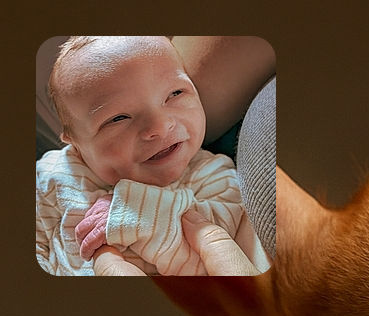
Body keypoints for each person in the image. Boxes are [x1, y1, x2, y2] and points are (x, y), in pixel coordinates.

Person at [35, 35, 269, 276]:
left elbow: (219, 230)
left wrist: (136, 213)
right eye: (118, 118)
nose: (160, 126)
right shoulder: (52, 174)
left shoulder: (210, 174)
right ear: (75, 143)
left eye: (175, 93)